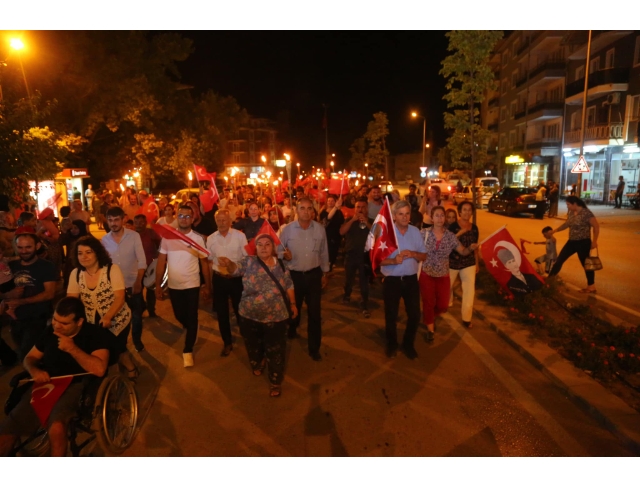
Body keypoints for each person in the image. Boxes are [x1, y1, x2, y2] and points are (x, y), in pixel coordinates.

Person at [0, 297, 110, 457]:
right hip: (46, 384)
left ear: (79, 322)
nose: (57, 325)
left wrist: (73, 349)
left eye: (64, 323)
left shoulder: (95, 335)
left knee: (56, 428)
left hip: (76, 385)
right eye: (55, 320)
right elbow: (29, 358)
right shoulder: (49, 332)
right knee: (9, 427)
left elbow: (100, 369)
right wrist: (34, 370)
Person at [219, 233, 296, 397]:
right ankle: (258, 361)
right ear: (255, 248)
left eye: (267, 244)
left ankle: (275, 380)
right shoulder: (249, 262)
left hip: (277, 316)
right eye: (259, 244)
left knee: (276, 350)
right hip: (249, 315)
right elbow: (235, 269)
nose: (263, 247)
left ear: (273, 248)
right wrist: (229, 264)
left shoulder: (281, 265)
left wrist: (293, 304)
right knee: (253, 345)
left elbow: (289, 284)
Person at [67, 236, 137, 379]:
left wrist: (108, 316)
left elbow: (119, 297)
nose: (84, 257)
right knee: (102, 349)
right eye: (80, 253)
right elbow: (71, 300)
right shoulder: (76, 274)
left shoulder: (112, 270)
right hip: (92, 320)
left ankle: (130, 369)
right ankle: (114, 374)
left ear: (97, 253)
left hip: (117, 317)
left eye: (88, 252)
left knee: (116, 347)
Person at [155, 205, 211, 367]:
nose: (184, 219)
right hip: (174, 285)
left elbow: (204, 264)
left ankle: (188, 350)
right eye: (181, 216)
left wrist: (207, 286)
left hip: (192, 284)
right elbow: (161, 262)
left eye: (187, 216)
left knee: (192, 316)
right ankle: (190, 327)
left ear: (192, 219)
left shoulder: (198, 239)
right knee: (180, 315)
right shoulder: (168, 237)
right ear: (176, 217)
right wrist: (158, 285)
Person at [279, 197, 329, 361]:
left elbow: (324, 252)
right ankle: (292, 329)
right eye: (302, 208)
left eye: (309, 209)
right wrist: (284, 255)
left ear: (313, 211)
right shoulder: (287, 230)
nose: (306, 212)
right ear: (296, 210)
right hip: (294, 276)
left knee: (315, 313)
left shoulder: (320, 229)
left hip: (314, 275)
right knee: (294, 308)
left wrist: (325, 273)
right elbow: (278, 251)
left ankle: (314, 348)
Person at [420, 206, 478, 339]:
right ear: (432, 218)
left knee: (443, 305)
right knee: (428, 301)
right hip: (426, 273)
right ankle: (430, 329)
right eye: (437, 215)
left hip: (443, 274)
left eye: (442, 215)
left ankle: (429, 315)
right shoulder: (424, 233)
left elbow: (462, 251)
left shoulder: (450, 236)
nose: (440, 218)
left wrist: (470, 248)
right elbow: (415, 248)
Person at [379, 201, 427, 359]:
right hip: (392, 280)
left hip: (411, 280)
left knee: (414, 315)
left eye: (407, 213)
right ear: (393, 216)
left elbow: (424, 255)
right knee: (391, 315)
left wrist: (413, 254)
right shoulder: (385, 233)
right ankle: (391, 344)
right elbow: (377, 260)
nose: (405, 217)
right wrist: (393, 260)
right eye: (401, 214)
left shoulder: (415, 231)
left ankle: (408, 344)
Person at [102, 207, 147, 352]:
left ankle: (137, 339)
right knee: (117, 317)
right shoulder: (104, 240)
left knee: (136, 316)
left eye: (116, 220)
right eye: (110, 220)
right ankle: (121, 346)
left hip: (133, 283)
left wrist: (138, 281)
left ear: (123, 220)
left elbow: (141, 260)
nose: (113, 223)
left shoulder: (134, 236)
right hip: (114, 287)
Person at [5, 233, 57, 359]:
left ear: (37, 246)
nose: (24, 251)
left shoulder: (46, 266)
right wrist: (8, 295)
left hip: (37, 317)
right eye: (20, 247)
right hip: (15, 318)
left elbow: (50, 293)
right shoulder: (11, 266)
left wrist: (21, 302)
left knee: (28, 353)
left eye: (28, 247)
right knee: (22, 349)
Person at [206, 209, 247, 357]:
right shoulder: (210, 238)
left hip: (236, 279)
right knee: (222, 313)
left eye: (224, 220)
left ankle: (247, 337)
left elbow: (246, 257)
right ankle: (227, 342)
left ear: (230, 221)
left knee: (240, 310)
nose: (221, 223)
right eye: (218, 220)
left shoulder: (240, 236)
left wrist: (233, 264)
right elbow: (209, 258)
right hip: (219, 279)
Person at [548, 196, 599, 293]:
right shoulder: (571, 213)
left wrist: (594, 241)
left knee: (586, 264)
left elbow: (596, 227)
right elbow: (567, 224)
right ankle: (549, 280)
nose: (567, 207)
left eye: (568, 204)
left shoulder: (586, 213)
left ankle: (591, 286)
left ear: (575, 204)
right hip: (571, 242)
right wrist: (555, 231)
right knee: (560, 260)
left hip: (583, 242)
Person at [448, 201, 480, 328]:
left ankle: (467, 318)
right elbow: (448, 243)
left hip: (469, 262)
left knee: (469, 291)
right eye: (464, 210)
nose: (467, 212)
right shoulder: (452, 226)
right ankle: (438, 309)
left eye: (469, 210)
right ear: (460, 212)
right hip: (452, 262)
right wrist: (460, 233)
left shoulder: (475, 228)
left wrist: (477, 263)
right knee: (445, 288)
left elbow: (476, 247)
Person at [340, 197, 372, 318]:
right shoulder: (349, 220)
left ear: (367, 208)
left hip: (365, 256)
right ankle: (347, 294)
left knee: (364, 282)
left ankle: (364, 304)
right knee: (349, 279)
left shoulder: (372, 221)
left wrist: (366, 223)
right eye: (358, 207)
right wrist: (353, 220)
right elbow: (342, 232)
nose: (360, 209)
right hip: (351, 254)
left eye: (363, 207)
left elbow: (378, 233)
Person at [133, 215, 161, 318]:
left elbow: (160, 243)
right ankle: (141, 307)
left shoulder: (151, 233)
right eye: (136, 222)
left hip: (150, 265)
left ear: (145, 223)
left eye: (141, 222)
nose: (138, 224)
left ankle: (151, 310)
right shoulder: (131, 234)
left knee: (151, 290)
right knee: (137, 290)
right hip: (136, 268)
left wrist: (158, 256)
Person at [60, 219, 89, 288]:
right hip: (70, 265)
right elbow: (60, 242)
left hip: (83, 265)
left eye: (76, 228)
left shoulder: (87, 239)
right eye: (71, 228)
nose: (73, 230)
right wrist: (64, 231)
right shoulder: (69, 237)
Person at [319, 194, 345, 272]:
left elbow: (341, 223)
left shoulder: (339, 212)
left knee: (333, 253)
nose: (330, 202)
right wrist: (335, 207)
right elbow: (327, 219)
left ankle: (330, 268)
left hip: (335, 236)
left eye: (332, 201)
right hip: (326, 236)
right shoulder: (323, 212)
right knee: (326, 253)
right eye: (329, 201)